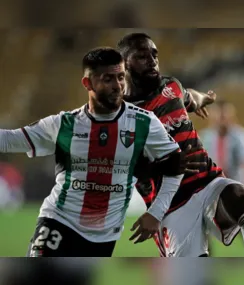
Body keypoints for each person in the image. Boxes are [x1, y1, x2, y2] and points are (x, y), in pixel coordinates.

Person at [0, 47, 199, 257]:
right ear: (88, 83)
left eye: (121, 77)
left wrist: (156, 213)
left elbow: (176, 166)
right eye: (108, 79)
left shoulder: (144, 123)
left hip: (104, 235)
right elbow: (10, 140)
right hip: (59, 220)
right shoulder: (65, 124)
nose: (117, 86)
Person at [117, 32, 244, 257]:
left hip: (208, 181)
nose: (152, 61)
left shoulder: (170, 86)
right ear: (124, 64)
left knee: (239, 195)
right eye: (142, 56)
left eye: (155, 55)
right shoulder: (121, 115)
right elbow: (124, 167)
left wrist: (203, 98)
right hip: (170, 204)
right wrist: (169, 166)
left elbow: (188, 97)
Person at [199, 100, 244, 186]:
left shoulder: (240, 136)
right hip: (211, 184)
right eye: (218, 116)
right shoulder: (205, 137)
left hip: (234, 183)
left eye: (224, 116)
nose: (221, 119)